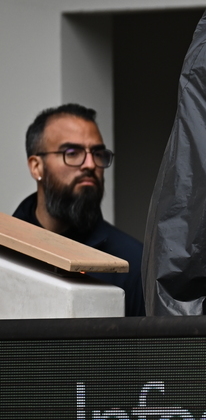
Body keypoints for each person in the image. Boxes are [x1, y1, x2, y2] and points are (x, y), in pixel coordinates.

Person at [13, 104, 145, 317]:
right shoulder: (6, 252)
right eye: (72, 153)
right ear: (37, 166)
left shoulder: (133, 263)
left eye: (97, 153)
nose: (91, 165)